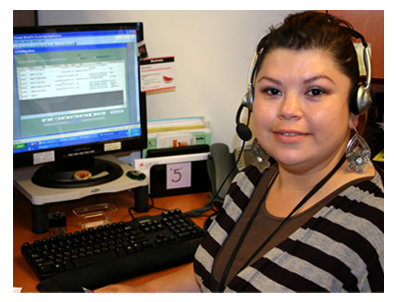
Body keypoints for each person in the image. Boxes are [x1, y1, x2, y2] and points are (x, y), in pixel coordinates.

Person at [95, 11, 384, 293]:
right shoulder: (249, 182)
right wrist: (141, 292)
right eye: (272, 91)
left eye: (315, 91)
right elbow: (214, 273)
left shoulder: (374, 227)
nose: (288, 110)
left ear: (355, 108)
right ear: (250, 100)